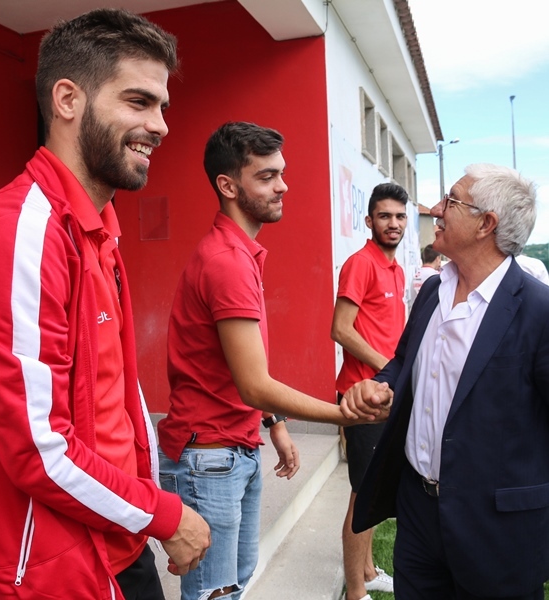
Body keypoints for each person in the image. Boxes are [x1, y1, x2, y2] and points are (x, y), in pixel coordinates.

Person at [0, 9, 211, 600]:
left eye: (162, 106)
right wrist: (163, 514)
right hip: (54, 567)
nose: (159, 125)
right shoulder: (23, 232)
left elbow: (115, 394)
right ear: (67, 100)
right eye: (138, 101)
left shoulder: (98, 228)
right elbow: (37, 448)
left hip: (115, 537)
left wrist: (142, 506)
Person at [157, 121, 377, 600]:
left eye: (282, 173)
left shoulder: (241, 253)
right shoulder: (227, 261)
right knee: (215, 594)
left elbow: (239, 373)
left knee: (232, 587)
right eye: (267, 176)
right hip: (209, 458)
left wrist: (274, 425)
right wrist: (343, 414)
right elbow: (256, 384)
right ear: (228, 185)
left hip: (234, 448)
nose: (283, 185)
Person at [342, 164, 549, 600]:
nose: (436, 209)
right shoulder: (433, 291)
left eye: (451, 201)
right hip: (418, 515)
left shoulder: (538, 311)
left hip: (496, 529)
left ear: (485, 225)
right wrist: (380, 384)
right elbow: (403, 362)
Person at [331, 182, 409, 600]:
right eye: (384, 216)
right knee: (363, 496)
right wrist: (391, 370)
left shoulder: (394, 269)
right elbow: (340, 330)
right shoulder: (360, 263)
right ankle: (356, 591)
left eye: (399, 216)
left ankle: (367, 569)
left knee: (375, 488)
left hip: (382, 398)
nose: (392, 223)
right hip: (361, 399)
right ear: (369, 221)